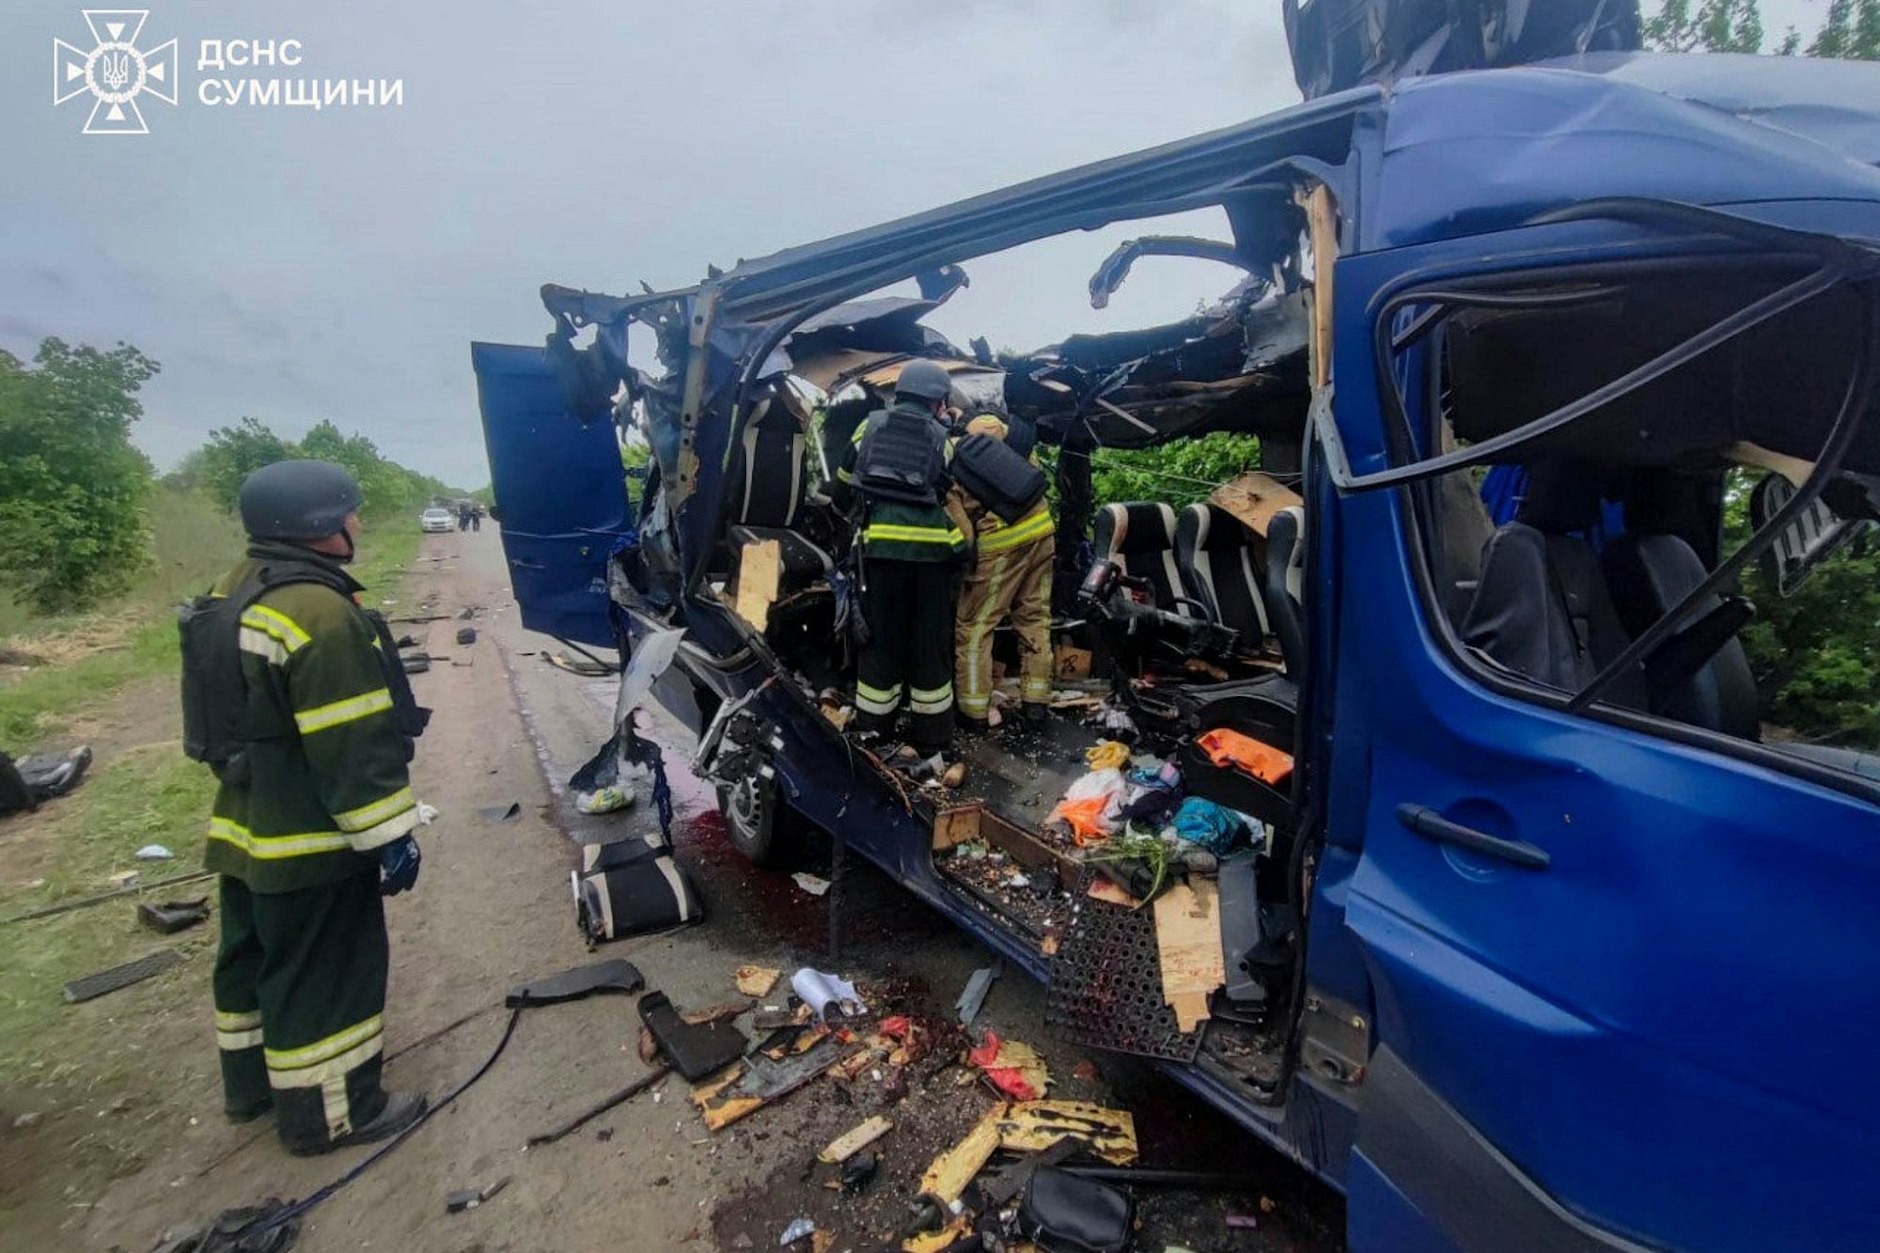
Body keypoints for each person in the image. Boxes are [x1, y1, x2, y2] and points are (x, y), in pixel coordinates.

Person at [197, 460, 429, 1156]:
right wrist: (391, 833)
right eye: (347, 513)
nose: (356, 523)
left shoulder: (236, 587)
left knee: (251, 959)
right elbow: (352, 740)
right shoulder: (320, 613)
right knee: (325, 969)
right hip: (308, 837)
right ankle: (336, 1113)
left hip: (245, 823)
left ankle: (252, 1088)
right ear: (315, 528)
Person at [835, 360, 965, 769]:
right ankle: (933, 738)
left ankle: (875, 730)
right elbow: (947, 487)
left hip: (880, 556)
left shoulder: (867, 428)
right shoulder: (942, 438)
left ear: (901, 392)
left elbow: (841, 479)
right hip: (931, 559)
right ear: (937, 400)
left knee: (879, 642)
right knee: (929, 644)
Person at [947, 411, 1056, 731]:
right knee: (1035, 618)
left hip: (1001, 544)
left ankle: (973, 713)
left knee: (975, 627)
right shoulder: (1011, 442)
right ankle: (1036, 706)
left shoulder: (952, 461)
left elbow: (964, 535)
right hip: (1042, 530)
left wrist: (963, 569)